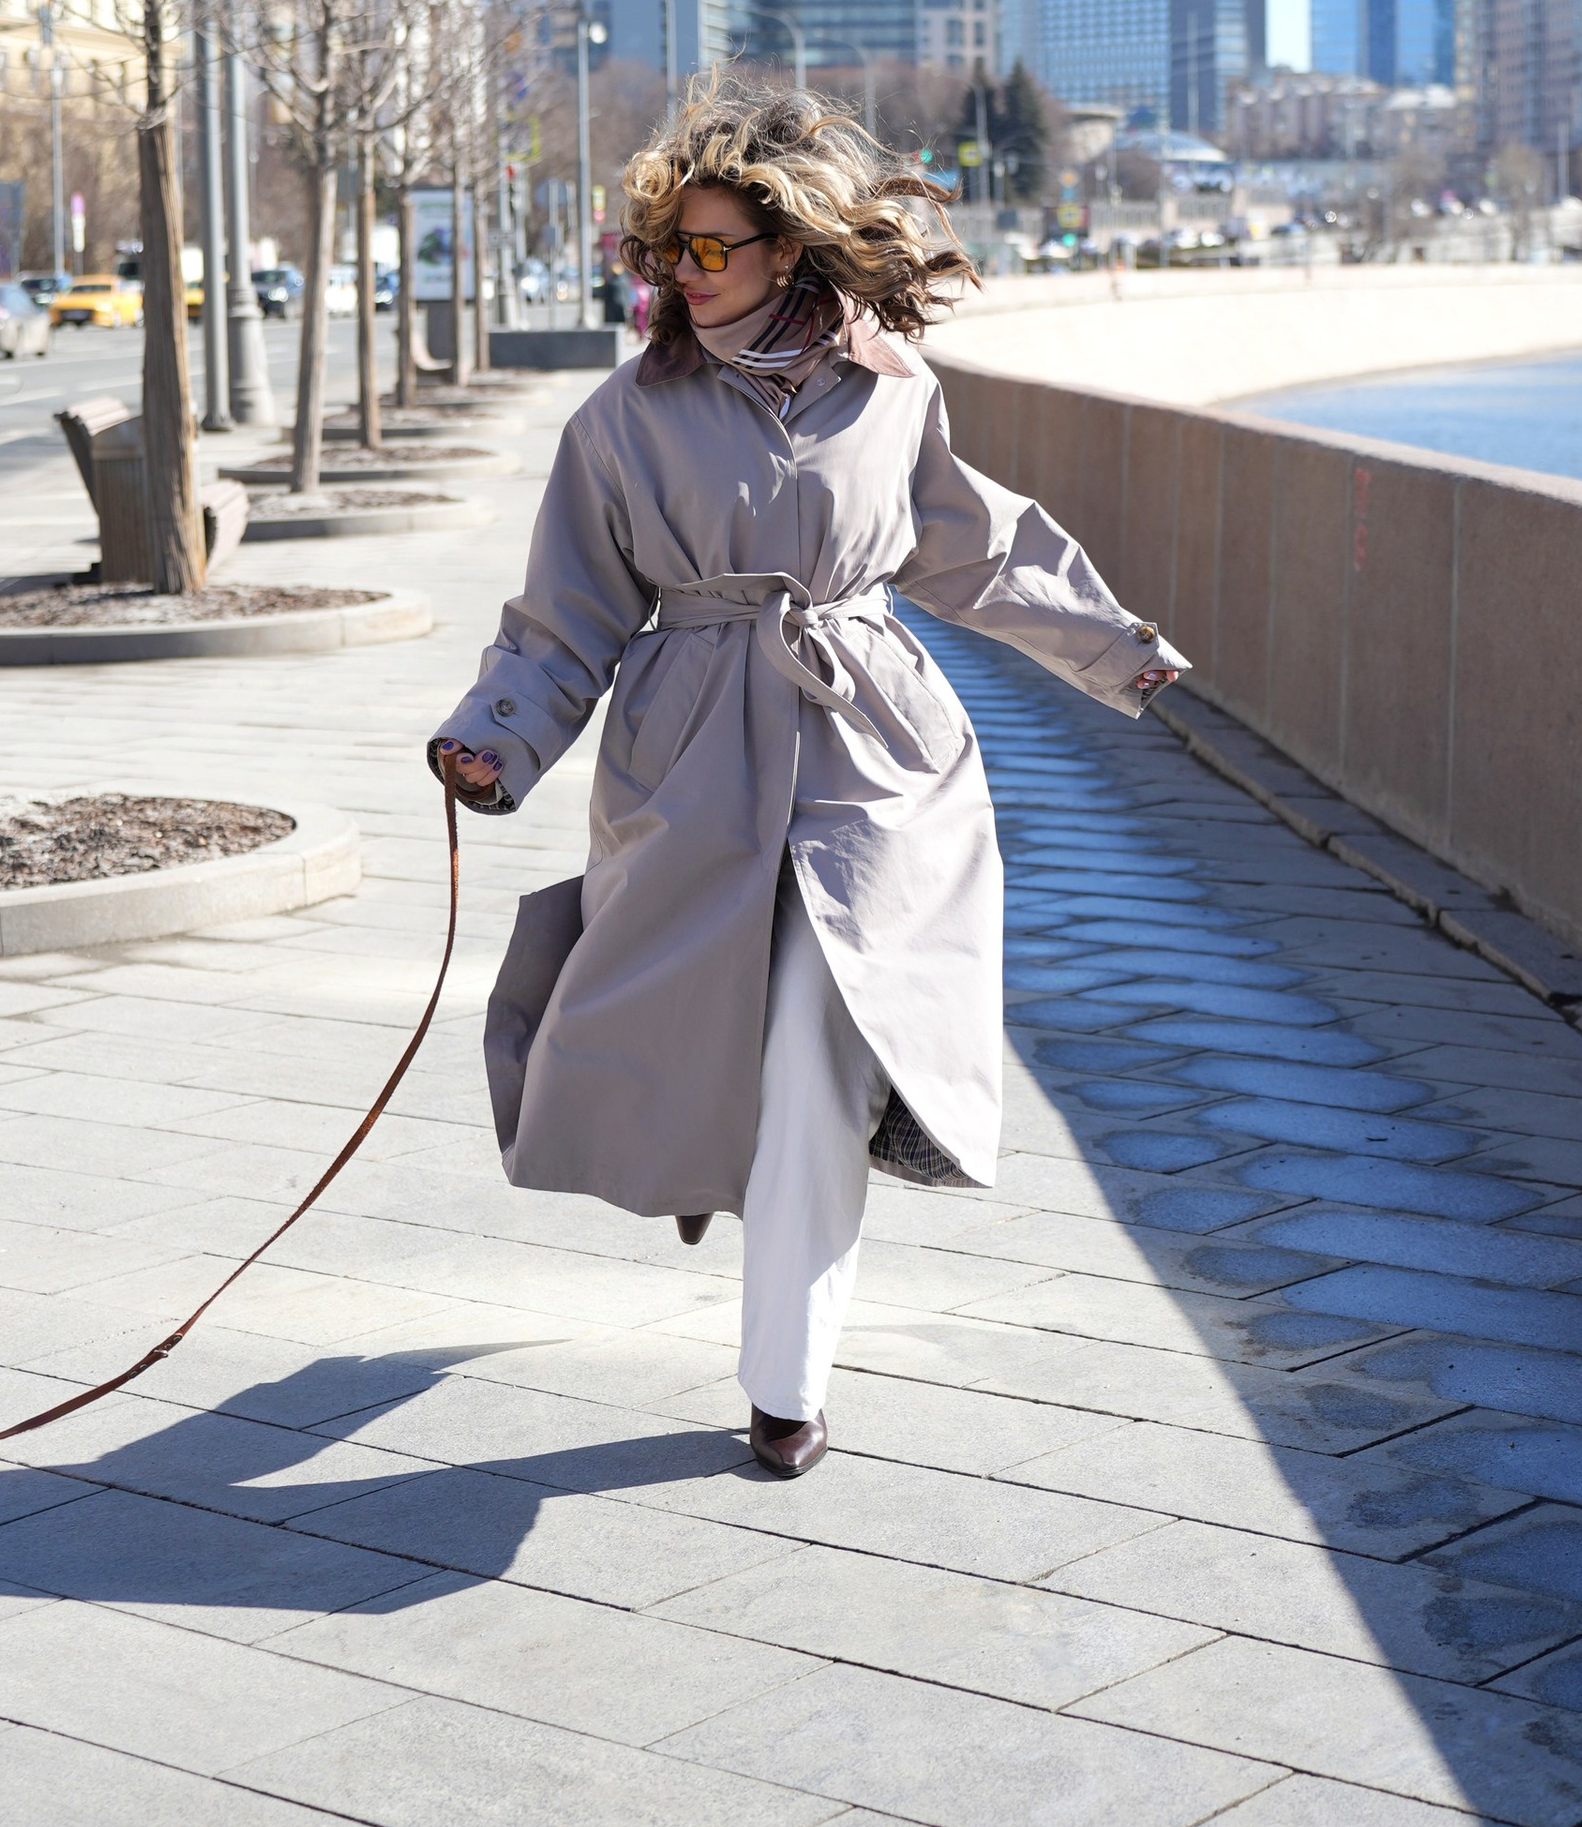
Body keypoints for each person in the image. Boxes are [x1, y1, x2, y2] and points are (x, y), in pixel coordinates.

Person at [429, 82, 1186, 1478]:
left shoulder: (894, 389)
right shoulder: (623, 417)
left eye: (713, 250)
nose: (686, 277)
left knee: (819, 1058)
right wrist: (497, 735)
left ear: (786, 249)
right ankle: (716, 1184)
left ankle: (786, 1382)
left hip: (872, 758)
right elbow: (567, 612)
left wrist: (1115, 649)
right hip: (692, 762)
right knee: (718, 1048)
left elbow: (973, 546)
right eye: (670, 254)